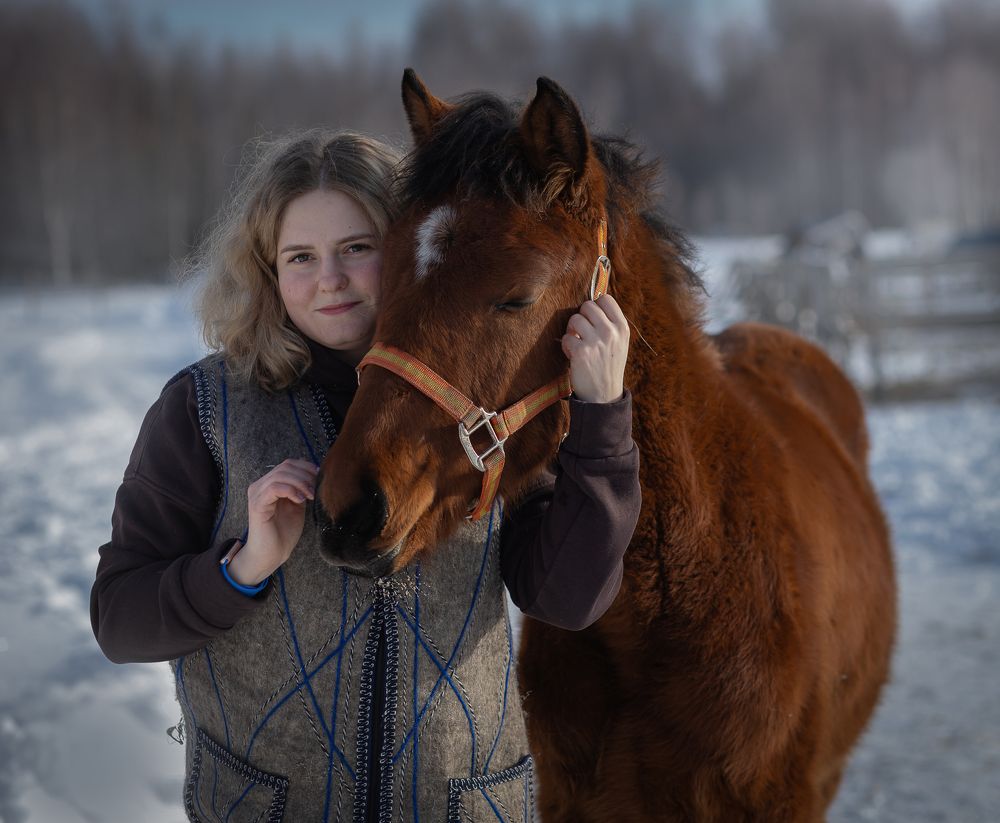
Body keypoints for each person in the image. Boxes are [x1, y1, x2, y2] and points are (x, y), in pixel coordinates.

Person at [90, 129, 640, 822]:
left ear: (411, 245)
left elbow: (567, 595)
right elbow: (119, 619)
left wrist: (601, 417)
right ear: (266, 269)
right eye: (300, 256)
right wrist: (241, 568)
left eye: (357, 248)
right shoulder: (204, 409)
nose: (330, 278)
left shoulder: (488, 399)